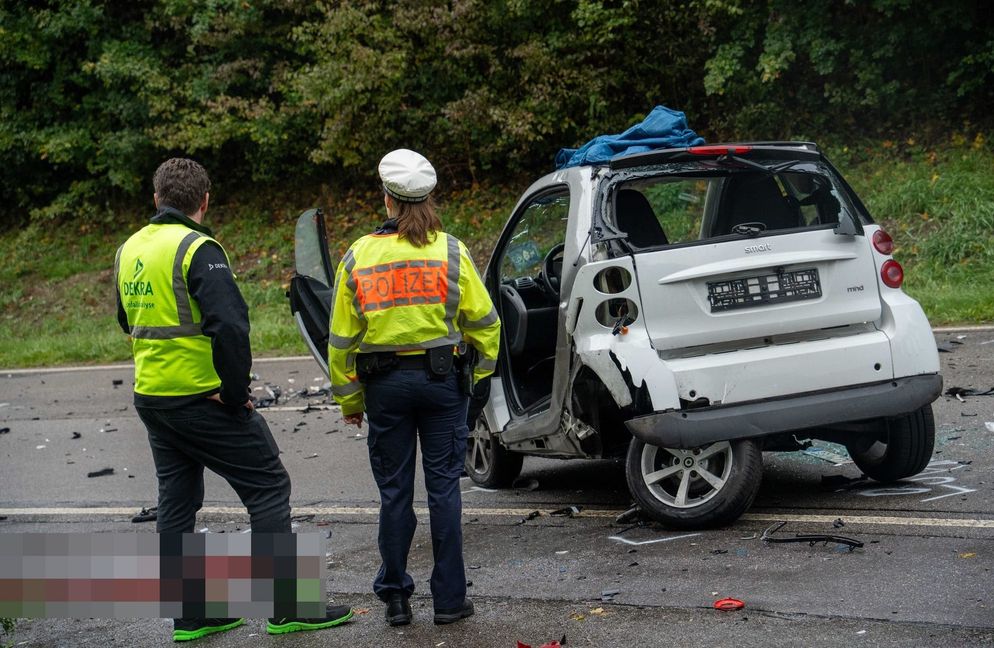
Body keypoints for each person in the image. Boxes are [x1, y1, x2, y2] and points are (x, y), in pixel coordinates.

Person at [115, 158, 353, 642]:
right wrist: (236, 393)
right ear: (204, 201)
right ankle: (288, 606)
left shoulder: (129, 249)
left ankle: (189, 615)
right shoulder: (199, 249)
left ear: (155, 198)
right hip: (203, 398)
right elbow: (231, 328)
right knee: (268, 485)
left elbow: (126, 320)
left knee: (176, 503)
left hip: (153, 397)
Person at [328, 149, 500, 626]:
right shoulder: (451, 251)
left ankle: (396, 598)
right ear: (429, 198)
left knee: (394, 493)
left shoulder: (359, 255)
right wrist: (479, 383)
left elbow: (341, 341)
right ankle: (448, 601)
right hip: (443, 383)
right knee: (444, 489)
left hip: (385, 389)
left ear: (387, 199)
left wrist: (350, 400)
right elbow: (486, 325)